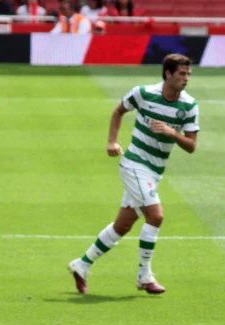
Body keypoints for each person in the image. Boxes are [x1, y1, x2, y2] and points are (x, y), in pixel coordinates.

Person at [68, 54, 199, 295]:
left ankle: (81, 265)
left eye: (188, 74)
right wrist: (112, 142)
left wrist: (172, 133)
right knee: (156, 217)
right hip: (134, 163)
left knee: (124, 224)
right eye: (182, 74)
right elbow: (119, 111)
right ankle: (144, 276)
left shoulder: (189, 106)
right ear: (168, 74)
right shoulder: (143, 93)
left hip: (155, 170)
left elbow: (191, 146)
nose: (186, 79)